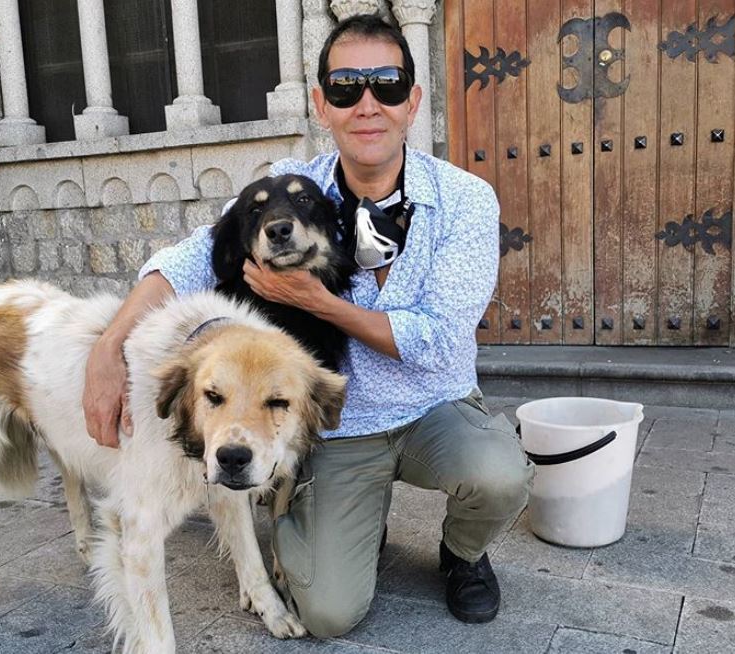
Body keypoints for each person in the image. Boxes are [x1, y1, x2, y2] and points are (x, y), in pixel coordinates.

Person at [83, 14, 534, 638]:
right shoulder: (295, 191)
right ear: (322, 105)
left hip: (435, 407)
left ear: (412, 101)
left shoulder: (465, 200)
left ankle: (463, 553)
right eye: (346, 88)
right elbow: (185, 262)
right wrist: (109, 345)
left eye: (386, 84)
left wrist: (315, 301)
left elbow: (437, 340)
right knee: (327, 613)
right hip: (338, 429)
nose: (367, 103)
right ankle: (356, 518)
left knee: (499, 474)